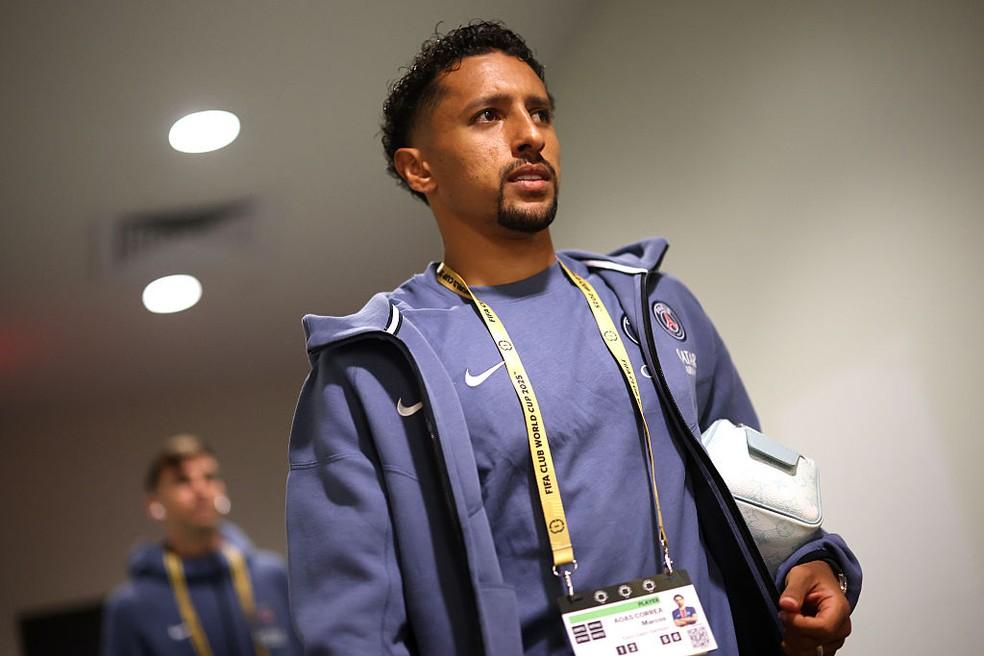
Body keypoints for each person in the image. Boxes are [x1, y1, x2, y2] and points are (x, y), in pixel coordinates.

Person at [286, 20, 861, 656]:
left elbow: (755, 494)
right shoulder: (372, 370)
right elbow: (350, 629)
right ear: (420, 169)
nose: (530, 135)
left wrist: (807, 562)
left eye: (540, 112)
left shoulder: (653, 304)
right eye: (488, 116)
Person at [102, 434, 301, 655]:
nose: (201, 490)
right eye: (183, 481)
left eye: (209, 477)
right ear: (154, 504)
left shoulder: (271, 576)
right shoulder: (132, 607)